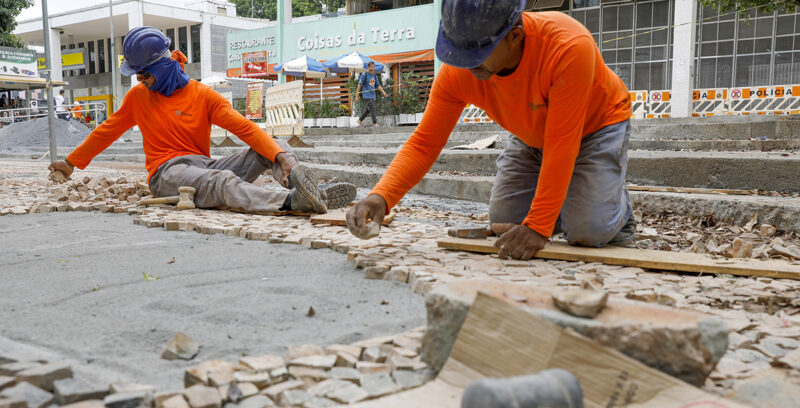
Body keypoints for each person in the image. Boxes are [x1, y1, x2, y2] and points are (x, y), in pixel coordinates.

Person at [346, 0, 634, 261]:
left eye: (477, 54)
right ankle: (573, 204)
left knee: (589, 230)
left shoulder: (569, 46)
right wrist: (380, 197)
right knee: (505, 220)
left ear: (515, 36)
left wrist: (538, 227)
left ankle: (617, 212)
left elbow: (562, 143)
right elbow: (424, 143)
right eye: (458, 52)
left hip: (595, 129)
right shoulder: (460, 69)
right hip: (532, 136)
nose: (466, 64)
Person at [49, 27, 356, 215]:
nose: (140, 80)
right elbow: (106, 131)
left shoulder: (203, 96)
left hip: (200, 165)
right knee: (220, 182)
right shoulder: (138, 98)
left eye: (144, 73)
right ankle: (290, 202)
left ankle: (303, 188)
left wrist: (283, 156)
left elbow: (245, 128)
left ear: (166, 65)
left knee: (266, 148)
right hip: (166, 175)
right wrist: (72, 162)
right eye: (137, 74)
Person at [356, 62, 388, 127]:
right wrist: (357, 96)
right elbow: (359, 85)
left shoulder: (374, 76)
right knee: (372, 107)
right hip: (366, 95)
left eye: (374, 67)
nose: (373, 68)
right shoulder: (364, 75)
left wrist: (383, 92)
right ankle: (375, 123)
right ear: (368, 67)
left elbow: (378, 86)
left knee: (368, 109)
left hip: (372, 96)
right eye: (372, 67)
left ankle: (360, 120)